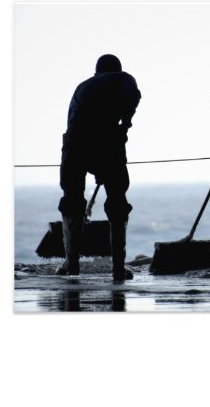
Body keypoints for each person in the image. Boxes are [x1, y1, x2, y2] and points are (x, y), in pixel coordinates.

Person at [57, 54, 141, 281]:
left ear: (96, 72)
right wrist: (125, 124)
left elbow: (75, 119)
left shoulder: (82, 86)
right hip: (107, 142)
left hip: (75, 144)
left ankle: (71, 263)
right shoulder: (122, 78)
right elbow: (134, 95)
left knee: (72, 199)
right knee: (117, 200)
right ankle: (118, 268)